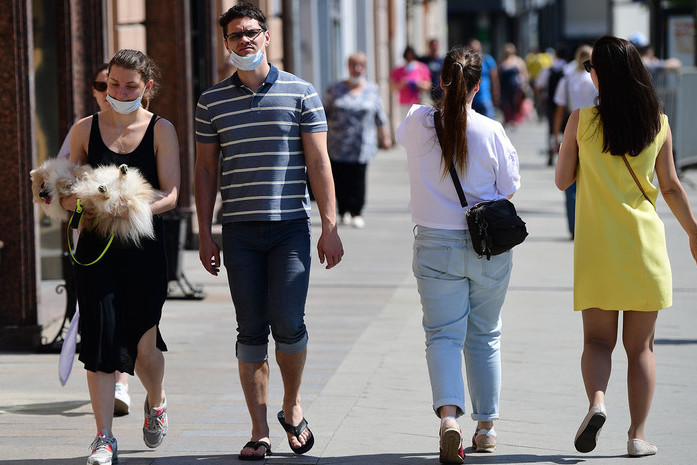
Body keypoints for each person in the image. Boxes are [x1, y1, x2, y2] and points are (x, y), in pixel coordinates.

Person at [194, 3, 344, 461]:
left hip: (290, 229)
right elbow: (204, 170)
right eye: (236, 35)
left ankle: (292, 405)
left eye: (252, 32)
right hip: (238, 230)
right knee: (250, 329)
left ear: (267, 36)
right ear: (225, 43)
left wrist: (330, 226)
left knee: (290, 323)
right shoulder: (211, 101)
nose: (245, 40)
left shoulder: (301, 92)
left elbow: (319, 163)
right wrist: (204, 233)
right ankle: (259, 430)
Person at [555, 35, 697, 457]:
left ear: (600, 74)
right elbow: (670, 186)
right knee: (641, 348)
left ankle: (598, 403)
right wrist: (693, 232)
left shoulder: (580, 121)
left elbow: (563, 181)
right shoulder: (659, 122)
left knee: (598, 343)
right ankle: (637, 436)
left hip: (598, 249)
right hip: (644, 249)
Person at [396, 46, 521, 464]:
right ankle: (486, 427)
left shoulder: (416, 122)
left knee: (443, 335)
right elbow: (509, 188)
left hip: (434, 244)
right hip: (486, 247)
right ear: (478, 84)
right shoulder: (491, 130)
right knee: (485, 335)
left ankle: (449, 418)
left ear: (442, 80)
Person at [60, 49, 180, 465]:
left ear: (147, 87)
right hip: (95, 247)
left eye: (130, 86)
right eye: (113, 84)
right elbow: (65, 188)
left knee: (144, 343)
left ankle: (157, 400)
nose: (120, 92)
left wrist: (135, 207)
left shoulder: (161, 130)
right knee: (99, 337)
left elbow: (172, 193)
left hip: (143, 246)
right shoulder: (84, 129)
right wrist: (74, 201)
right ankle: (103, 437)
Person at [58, 63, 134, 418]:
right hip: (90, 242)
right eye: (103, 85)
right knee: (101, 320)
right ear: (93, 90)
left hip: (135, 242)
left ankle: (133, 383)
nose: (110, 92)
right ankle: (115, 385)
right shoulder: (82, 130)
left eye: (119, 85)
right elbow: (57, 183)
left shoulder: (148, 128)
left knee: (133, 319)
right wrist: (67, 199)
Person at [324, 52, 391, 229]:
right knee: (339, 178)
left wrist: (385, 137)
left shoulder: (372, 89)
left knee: (358, 178)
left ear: (365, 68)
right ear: (348, 67)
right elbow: (324, 112)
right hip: (337, 142)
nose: (357, 68)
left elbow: (380, 115)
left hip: (362, 144)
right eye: (353, 65)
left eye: (360, 65)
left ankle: (357, 211)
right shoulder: (335, 88)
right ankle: (343, 210)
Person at [551, 45, 597, 239]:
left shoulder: (567, 80)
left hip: (572, 126)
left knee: (569, 183)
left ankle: (573, 227)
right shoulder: (594, 80)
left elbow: (560, 110)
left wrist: (555, 135)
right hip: (594, 128)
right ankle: (590, 224)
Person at [535, 43, 569, 165]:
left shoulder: (548, 69)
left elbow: (538, 86)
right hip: (566, 105)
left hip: (551, 103)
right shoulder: (568, 69)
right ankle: (565, 154)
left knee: (551, 130)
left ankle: (551, 153)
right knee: (566, 130)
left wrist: (542, 97)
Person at [390, 46, 432, 119]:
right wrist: (402, 84)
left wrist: (417, 84)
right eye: (407, 56)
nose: (409, 58)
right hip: (404, 104)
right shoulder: (399, 70)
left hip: (419, 103)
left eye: (411, 56)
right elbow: (392, 88)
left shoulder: (422, 68)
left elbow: (428, 85)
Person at [498, 43, 529, 126]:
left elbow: (525, 74)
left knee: (515, 103)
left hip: (515, 86)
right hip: (504, 86)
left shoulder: (518, 61)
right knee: (505, 102)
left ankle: (514, 119)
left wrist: (524, 86)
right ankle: (507, 118)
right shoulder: (502, 61)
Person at [467, 38, 499, 120]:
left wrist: (496, 94)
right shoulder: (467, 62)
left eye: (476, 50)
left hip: (485, 97)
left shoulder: (488, 60)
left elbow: (494, 79)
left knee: (489, 121)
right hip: (470, 99)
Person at [419, 38, 444, 102]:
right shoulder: (422, 60)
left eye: (435, 46)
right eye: (432, 45)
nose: (434, 48)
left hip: (440, 92)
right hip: (426, 92)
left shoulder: (442, 61)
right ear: (429, 46)